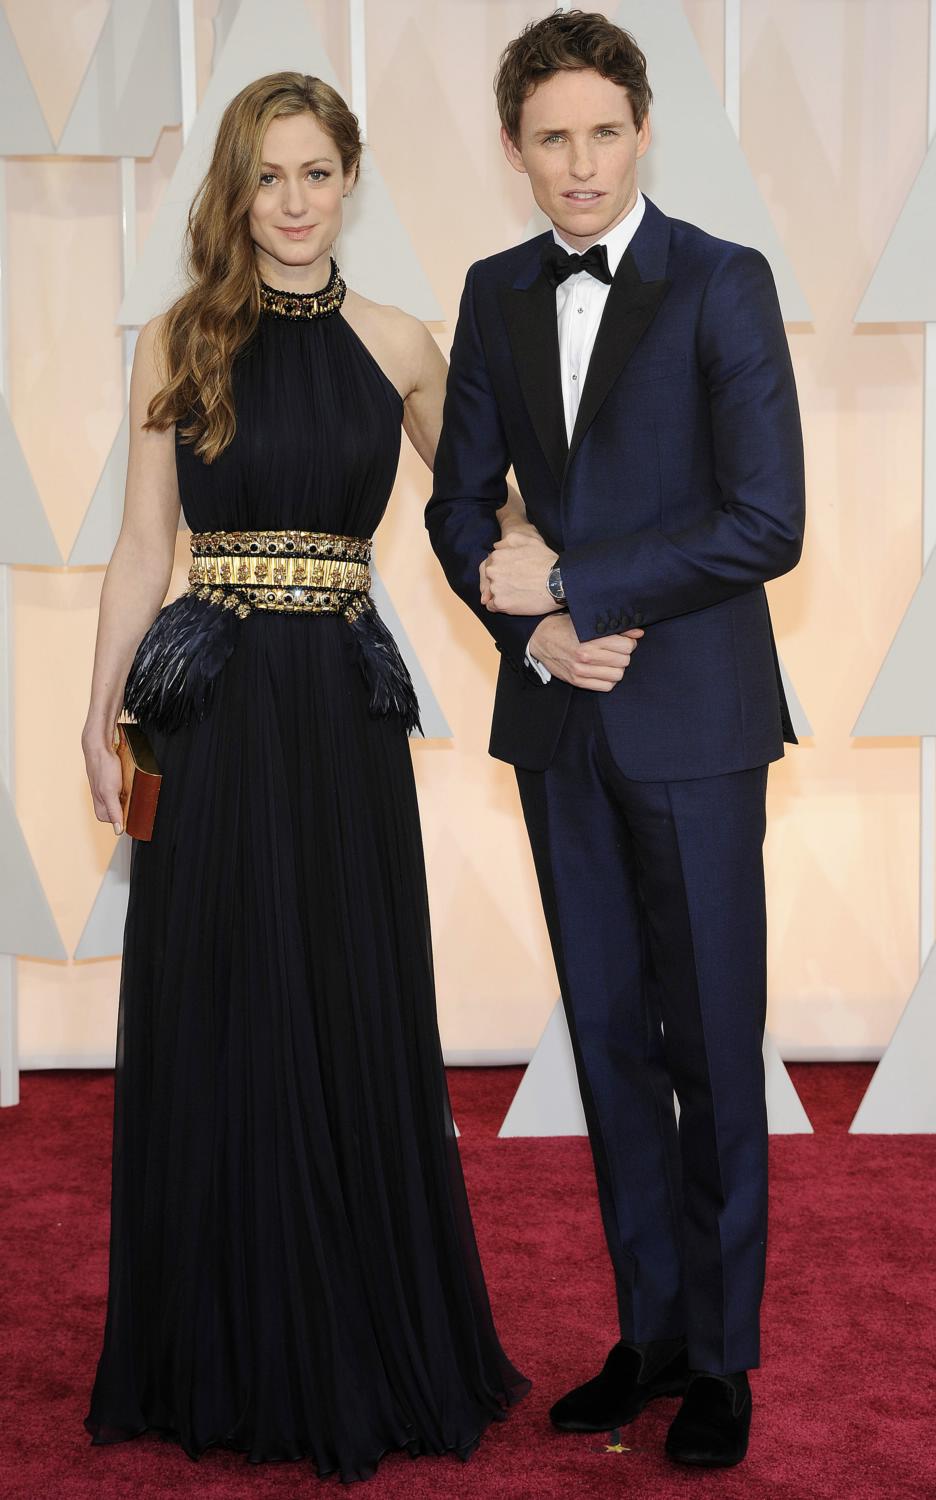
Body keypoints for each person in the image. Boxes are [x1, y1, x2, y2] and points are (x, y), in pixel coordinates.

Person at [80, 71, 528, 1483]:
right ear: (237, 186)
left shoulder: (402, 343)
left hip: (339, 710)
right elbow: (144, 551)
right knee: (212, 996)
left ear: (351, 180)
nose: (292, 200)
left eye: (317, 173)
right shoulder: (179, 340)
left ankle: (356, 1315)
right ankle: (210, 1339)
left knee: (344, 995)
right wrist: (102, 719)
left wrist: (577, 578)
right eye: (268, 175)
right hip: (203, 716)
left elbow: (484, 518)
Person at [426, 10, 804, 1470]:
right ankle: (648, 1335)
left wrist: (581, 584)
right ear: (516, 150)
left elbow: (767, 520)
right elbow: (465, 510)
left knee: (711, 1044)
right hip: (558, 729)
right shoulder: (494, 291)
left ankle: (723, 1362)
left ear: (642, 128)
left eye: (601, 131)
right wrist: (528, 625)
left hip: (697, 726)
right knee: (605, 1043)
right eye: (549, 139)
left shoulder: (724, 282)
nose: (578, 164)